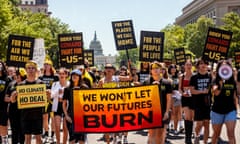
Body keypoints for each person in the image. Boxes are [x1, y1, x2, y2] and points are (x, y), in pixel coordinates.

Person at [11, 60, 48, 144]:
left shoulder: (40, 83)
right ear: (26, 70)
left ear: (35, 70)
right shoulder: (21, 85)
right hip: (25, 115)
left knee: (39, 139)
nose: (31, 70)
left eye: (33, 68)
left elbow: (47, 101)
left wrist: (48, 94)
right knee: (27, 139)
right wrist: (13, 96)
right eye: (29, 68)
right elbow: (13, 101)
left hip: (37, 115)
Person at [143, 61, 172, 144]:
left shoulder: (167, 83)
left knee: (161, 133)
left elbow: (169, 99)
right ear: (151, 71)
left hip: (163, 111)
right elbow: (143, 98)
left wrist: (167, 112)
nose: (155, 70)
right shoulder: (146, 82)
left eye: (157, 68)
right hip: (151, 112)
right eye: (153, 68)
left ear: (161, 70)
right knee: (151, 133)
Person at [211, 60, 237, 144]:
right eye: (222, 66)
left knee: (231, 134)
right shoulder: (216, 80)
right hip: (217, 111)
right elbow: (216, 93)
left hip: (230, 110)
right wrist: (221, 84)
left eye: (226, 66)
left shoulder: (232, 80)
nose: (224, 68)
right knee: (216, 134)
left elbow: (236, 95)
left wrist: (236, 78)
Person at [62, 69, 88, 144]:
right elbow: (64, 104)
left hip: (82, 117)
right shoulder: (67, 89)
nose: (74, 77)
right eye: (73, 75)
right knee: (72, 140)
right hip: (71, 116)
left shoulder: (84, 88)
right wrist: (66, 115)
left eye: (76, 75)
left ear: (79, 77)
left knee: (81, 140)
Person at [189, 58, 212, 144]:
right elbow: (192, 91)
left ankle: (205, 142)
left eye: (205, 63)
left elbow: (214, 88)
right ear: (198, 66)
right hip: (198, 103)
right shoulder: (194, 77)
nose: (203, 65)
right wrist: (202, 91)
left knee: (206, 124)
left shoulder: (210, 76)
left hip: (208, 103)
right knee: (199, 124)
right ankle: (197, 136)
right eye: (201, 63)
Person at [5, 68, 27, 144]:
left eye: (18, 75)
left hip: (23, 112)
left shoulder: (27, 85)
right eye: (16, 75)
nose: (16, 77)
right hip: (13, 111)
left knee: (22, 132)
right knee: (14, 131)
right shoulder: (11, 84)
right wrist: (12, 98)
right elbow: (5, 98)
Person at [39, 59, 59, 143]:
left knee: (53, 118)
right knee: (44, 118)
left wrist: (52, 93)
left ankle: (53, 135)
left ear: (51, 66)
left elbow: (58, 87)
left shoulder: (55, 77)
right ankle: (46, 134)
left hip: (53, 100)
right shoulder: (40, 77)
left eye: (48, 64)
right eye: (45, 64)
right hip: (43, 101)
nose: (46, 66)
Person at [51, 68, 69, 144]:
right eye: (60, 74)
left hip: (66, 107)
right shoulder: (55, 84)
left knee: (65, 128)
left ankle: (64, 142)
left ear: (66, 75)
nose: (61, 75)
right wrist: (57, 92)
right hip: (57, 106)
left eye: (63, 74)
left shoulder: (69, 84)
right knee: (57, 127)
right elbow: (51, 95)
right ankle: (58, 142)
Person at [178, 59, 194, 144]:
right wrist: (182, 94)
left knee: (191, 117)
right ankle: (187, 138)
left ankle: (190, 134)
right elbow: (179, 88)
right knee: (187, 116)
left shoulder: (195, 76)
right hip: (185, 98)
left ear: (192, 66)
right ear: (184, 66)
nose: (188, 66)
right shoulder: (181, 76)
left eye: (190, 64)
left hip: (193, 98)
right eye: (187, 64)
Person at [168, 64, 183, 135]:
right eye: (172, 68)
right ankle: (170, 125)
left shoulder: (179, 76)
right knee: (172, 112)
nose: (173, 69)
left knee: (178, 112)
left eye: (174, 68)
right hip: (170, 96)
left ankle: (176, 127)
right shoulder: (168, 76)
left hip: (178, 95)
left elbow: (180, 85)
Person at [0, 61, 11, 144]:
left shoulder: (7, 78)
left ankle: (4, 139)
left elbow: (9, 92)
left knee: (3, 124)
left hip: (4, 106)